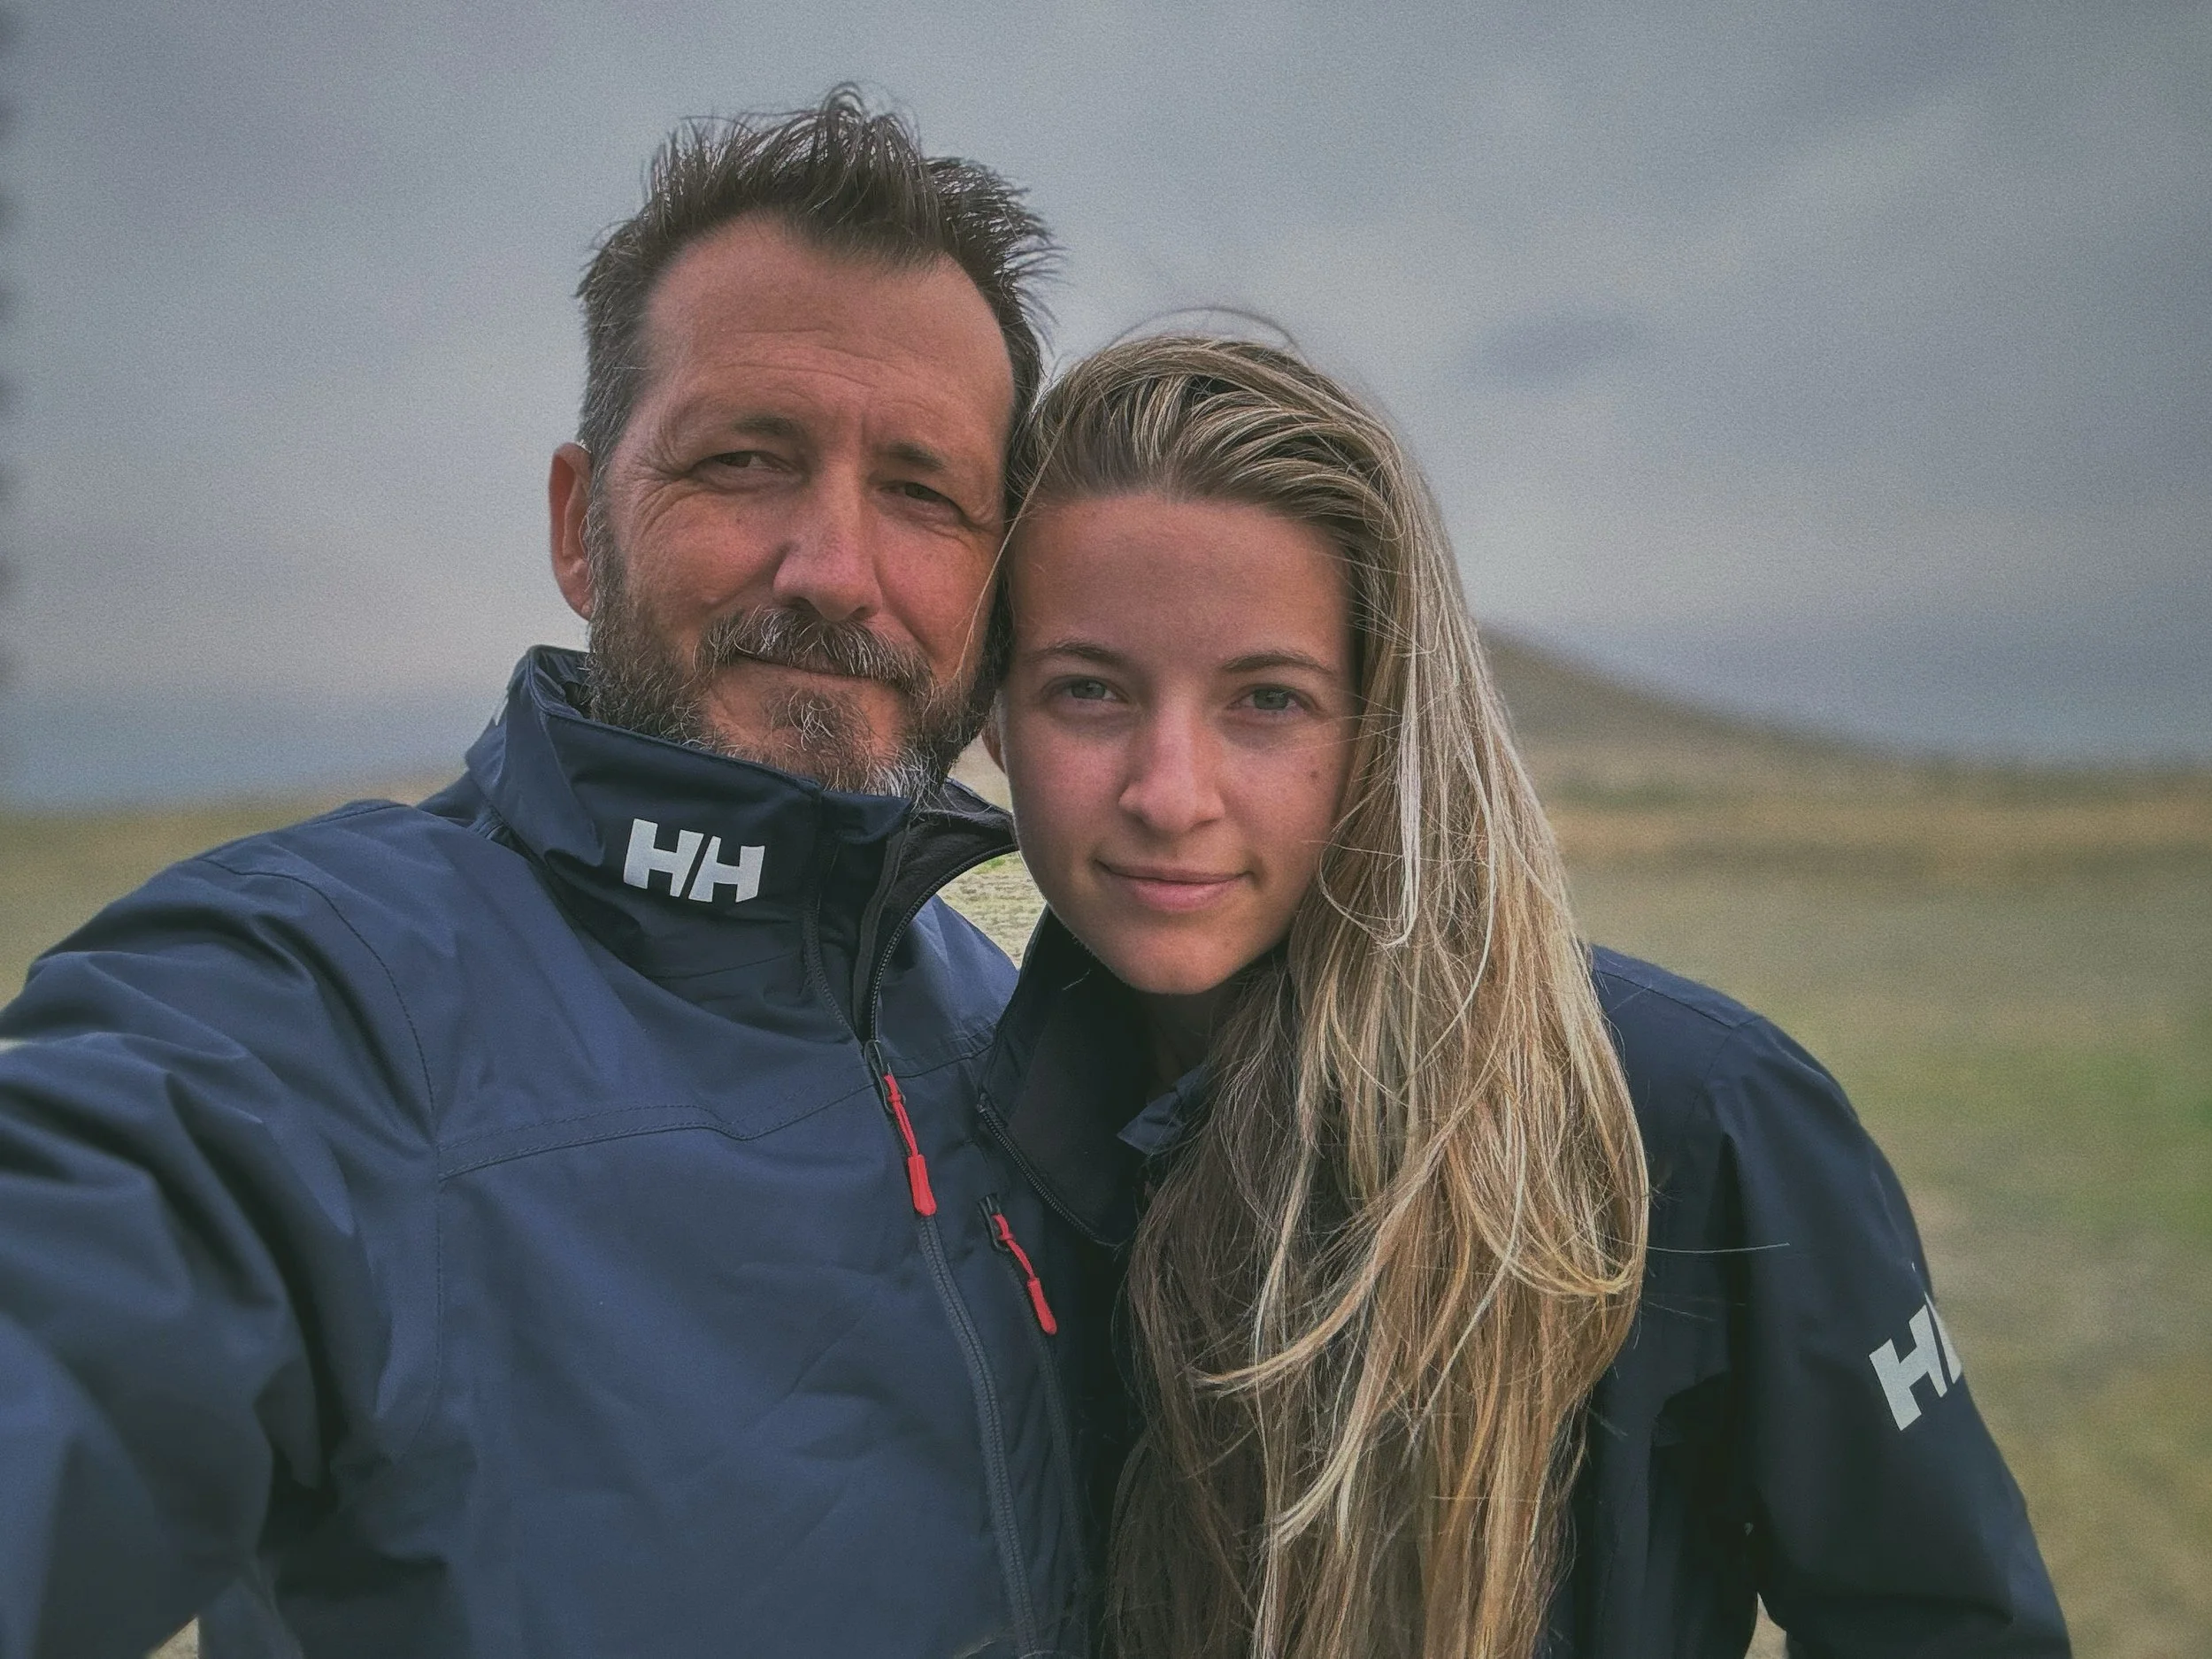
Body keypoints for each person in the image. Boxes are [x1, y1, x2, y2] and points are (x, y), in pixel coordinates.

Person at [0, 93, 1105, 1659]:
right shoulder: (329, 1001)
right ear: (584, 530)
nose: (833, 568)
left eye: (924, 491)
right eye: (745, 459)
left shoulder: (1016, 1030)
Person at [973, 334, 2070, 1658]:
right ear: (996, 713)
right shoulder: (965, 1129)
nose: (1170, 791)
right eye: (1089, 689)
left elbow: (1952, 1625)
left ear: (1382, 722)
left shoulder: (1691, 1117)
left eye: (1268, 700)